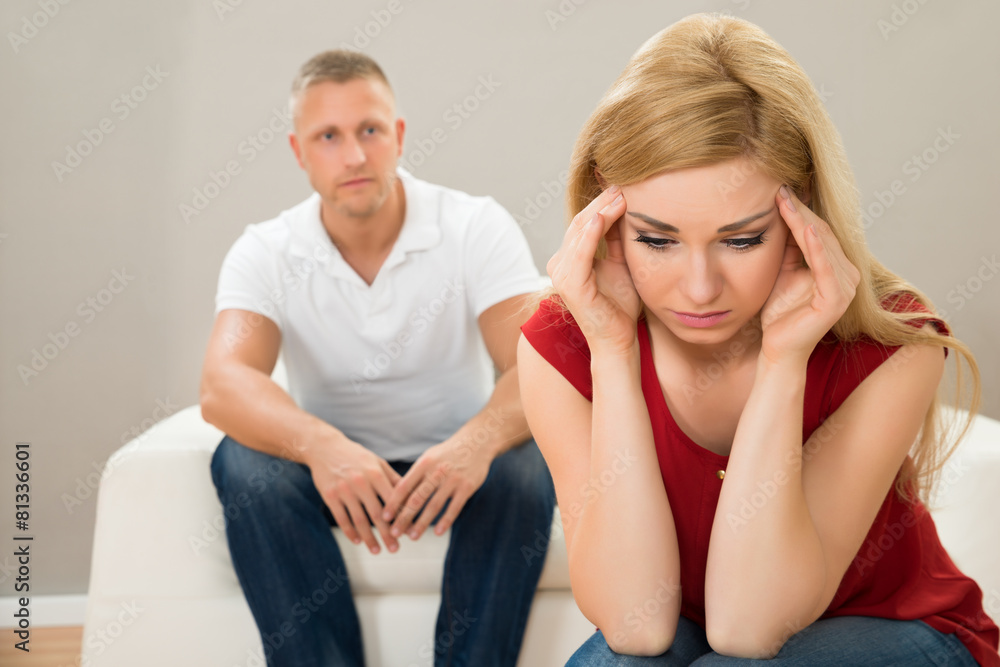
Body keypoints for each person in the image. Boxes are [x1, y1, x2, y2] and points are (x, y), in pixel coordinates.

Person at [518, 12, 1000, 667]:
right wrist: (612, 351)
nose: (698, 288)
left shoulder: (896, 343)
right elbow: (637, 623)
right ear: (607, 211)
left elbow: (748, 628)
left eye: (740, 239)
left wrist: (783, 359)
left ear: (799, 209)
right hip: (691, 631)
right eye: (657, 239)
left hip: (902, 632)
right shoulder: (563, 344)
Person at [201, 49, 555, 667]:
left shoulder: (474, 226)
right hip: (329, 474)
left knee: (525, 465)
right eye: (328, 136)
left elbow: (541, 363)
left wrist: (475, 443)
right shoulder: (265, 250)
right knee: (242, 463)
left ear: (397, 135)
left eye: (368, 130)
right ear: (298, 152)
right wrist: (321, 446)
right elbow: (223, 382)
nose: (355, 155)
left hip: (458, 466)